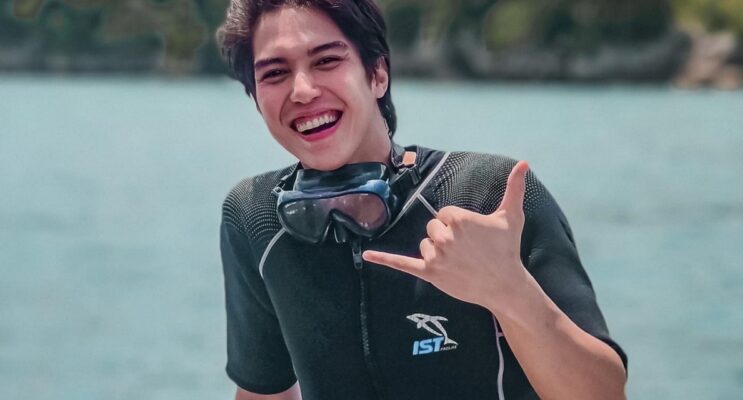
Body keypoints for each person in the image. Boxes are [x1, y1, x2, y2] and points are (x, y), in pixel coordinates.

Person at [216, 1, 628, 399]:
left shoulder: (488, 196)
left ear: (378, 74)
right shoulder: (255, 218)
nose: (303, 91)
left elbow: (606, 394)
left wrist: (509, 291)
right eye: (275, 73)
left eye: (326, 61)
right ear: (256, 98)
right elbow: (262, 393)